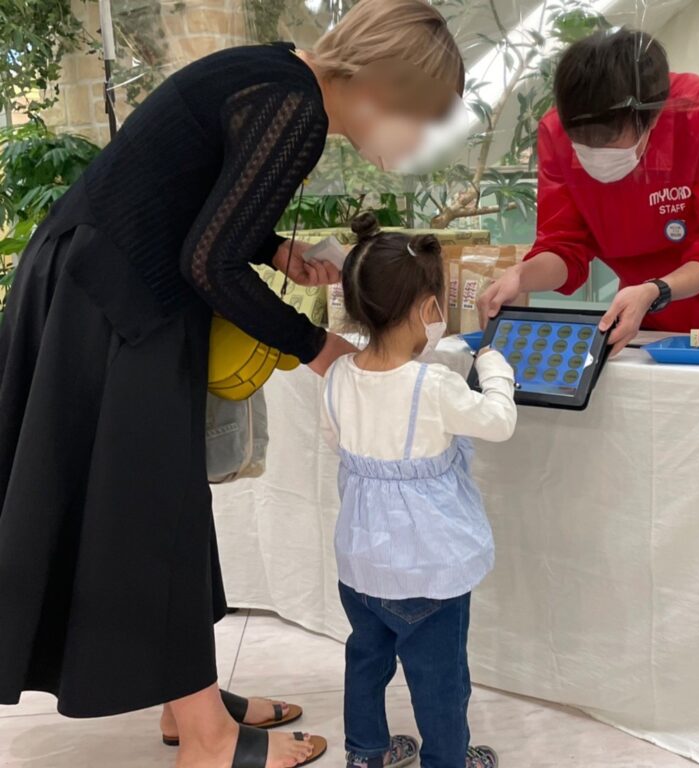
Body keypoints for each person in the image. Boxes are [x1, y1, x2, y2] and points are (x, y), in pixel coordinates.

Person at [0, 1, 464, 767]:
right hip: (115, 301)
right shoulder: (296, 110)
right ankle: (210, 743)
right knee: (157, 511)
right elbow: (207, 263)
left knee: (159, 507)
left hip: (92, 283)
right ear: (384, 89)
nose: (415, 143)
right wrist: (318, 348)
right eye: (421, 119)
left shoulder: (273, 75)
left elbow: (196, 208)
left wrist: (278, 252)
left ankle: (190, 703)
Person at [321, 213, 517, 768]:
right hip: (429, 571)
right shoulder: (434, 385)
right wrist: (496, 367)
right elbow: (498, 422)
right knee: (440, 682)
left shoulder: (338, 376)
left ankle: (366, 753)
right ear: (428, 309)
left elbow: (336, 440)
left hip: (360, 566)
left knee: (365, 660)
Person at [479, 29, 699, 354]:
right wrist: (521, 276)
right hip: (640, 307)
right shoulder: (557, 131)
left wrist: (656, 290)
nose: (595, 151)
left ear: (652, 117)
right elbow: (564, 246)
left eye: (610, 140)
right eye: (583, 144)